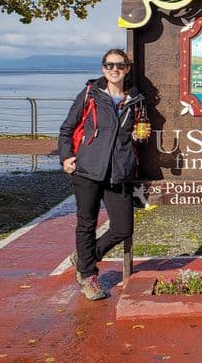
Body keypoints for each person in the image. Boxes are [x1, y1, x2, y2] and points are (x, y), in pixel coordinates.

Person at [58, 49, 148, 300]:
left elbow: (139, 136)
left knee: (123, 228)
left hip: (118, 173)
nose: (114, 69)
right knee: (86, 223)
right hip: (87, 170)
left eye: (119, 65)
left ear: (127, 68)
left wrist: (139, 139)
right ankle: (88, 277)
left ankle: (86, 256)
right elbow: (67, 128)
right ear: (102, 68)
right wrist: (66, 157)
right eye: (109, 65)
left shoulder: (137, 100)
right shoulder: (90, 94)